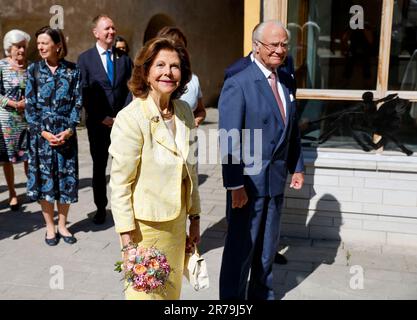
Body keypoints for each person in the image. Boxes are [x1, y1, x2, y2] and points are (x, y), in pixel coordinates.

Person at [109, 37, 201, 300]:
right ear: (146, 72)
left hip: (176, 226)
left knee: (170, 296)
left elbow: (190, 172)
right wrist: (128, 243)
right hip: (143, 231)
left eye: (175, 66)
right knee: (145, 296)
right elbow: (120, 184)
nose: (168, 72)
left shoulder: (183, 111)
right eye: (160, 65)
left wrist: (194, 219)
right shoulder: (131, 117)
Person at [218, 20, 305, 300]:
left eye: (284, 44)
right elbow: (229, 140)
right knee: (240, 255)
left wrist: (297, 166)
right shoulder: (238, 82)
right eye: (274, 45)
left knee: (266, 254)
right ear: (257, 47)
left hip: (275, 185)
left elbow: (291, 129)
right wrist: (234, 185)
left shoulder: (287, 80)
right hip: (248, 188)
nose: (280, 50)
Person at [25, 26, 82, 246]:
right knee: (45, 182)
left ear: (57, 45)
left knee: (65, 182)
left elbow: (77, 103)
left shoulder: (73, 70)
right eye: (38, 43)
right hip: (41, 138)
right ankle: (50, 227)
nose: (40, 47)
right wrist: (44, 132)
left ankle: (63, 225)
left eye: (44, 43)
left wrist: (68, 131)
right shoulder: (34, 70)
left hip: (66, 135)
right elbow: (30, 106)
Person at [77, 14, 133, 224]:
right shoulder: (85, 59)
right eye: (107, 28)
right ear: (96, 33)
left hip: (122, 125)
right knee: (99, 168)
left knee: (124, 167)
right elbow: (84, 91)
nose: (112, 32)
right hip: (98, 125)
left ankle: (124, 207)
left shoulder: (124, 58)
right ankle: (101, 207)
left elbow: (131, 88)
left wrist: (123, 115)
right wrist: (102, 117)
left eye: (113, 28)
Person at [0, 29, 31, 211]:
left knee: (29, 156)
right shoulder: (1, 66)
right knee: (8, 159)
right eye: (18, 47)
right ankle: (12, 193)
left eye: (23, 47)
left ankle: (31, 187)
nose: (21, 50)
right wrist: (13, 103)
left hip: (26, 117)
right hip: (7, 119)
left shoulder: (30, 67)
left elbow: (34, 90)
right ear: (9, 48)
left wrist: (27, 102)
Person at [157, 26, 206, 127]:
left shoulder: (193, 80)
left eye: (180, 47)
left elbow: (200, 111)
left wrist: (195, 121)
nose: (168, 72)